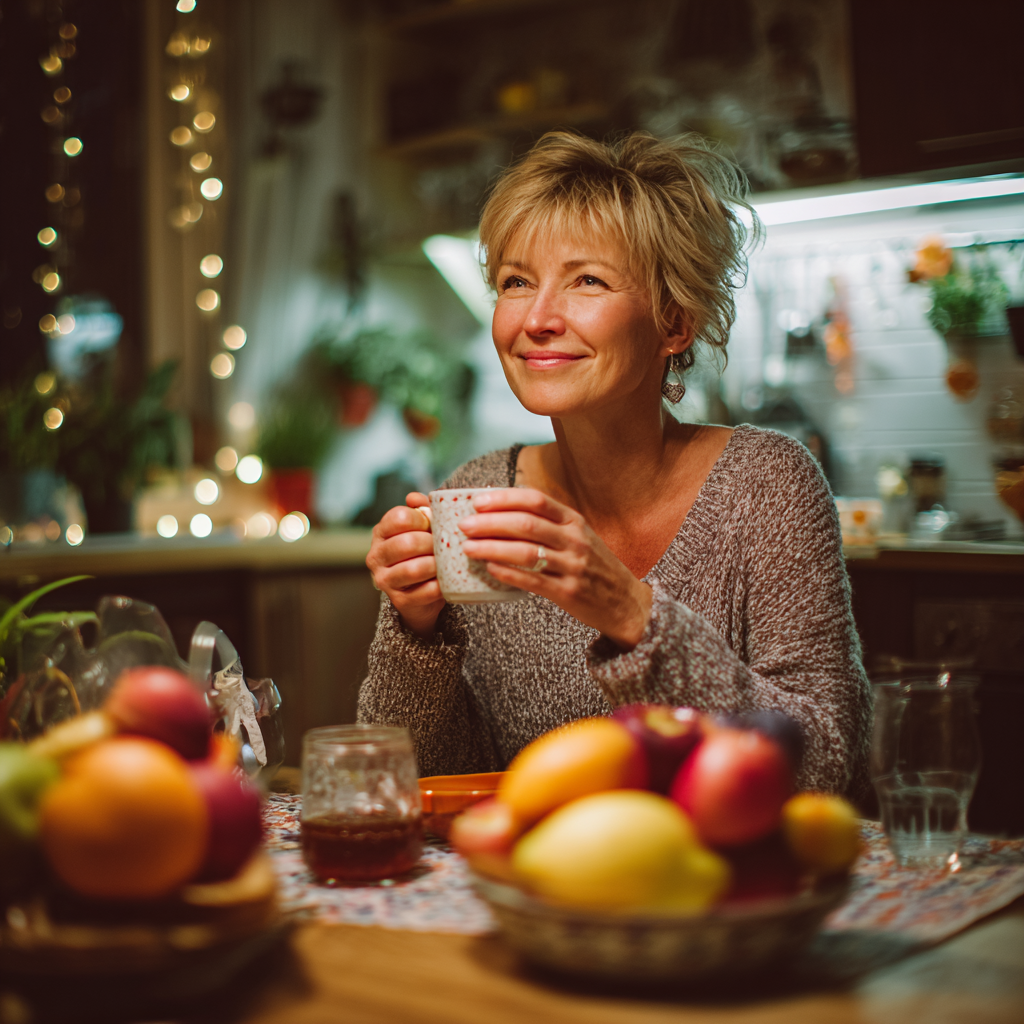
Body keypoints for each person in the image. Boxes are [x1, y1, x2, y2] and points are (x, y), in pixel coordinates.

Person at [358, 131, 871, 797]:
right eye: (517, 282)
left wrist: (637, 617)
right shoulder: (476, 495)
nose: (537, 318)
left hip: (735, 886)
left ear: (674, 323)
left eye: (588, 281)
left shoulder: (766, 485)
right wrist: (416, 632)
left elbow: (825, 765)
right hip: (550, 881)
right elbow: (418, 782)